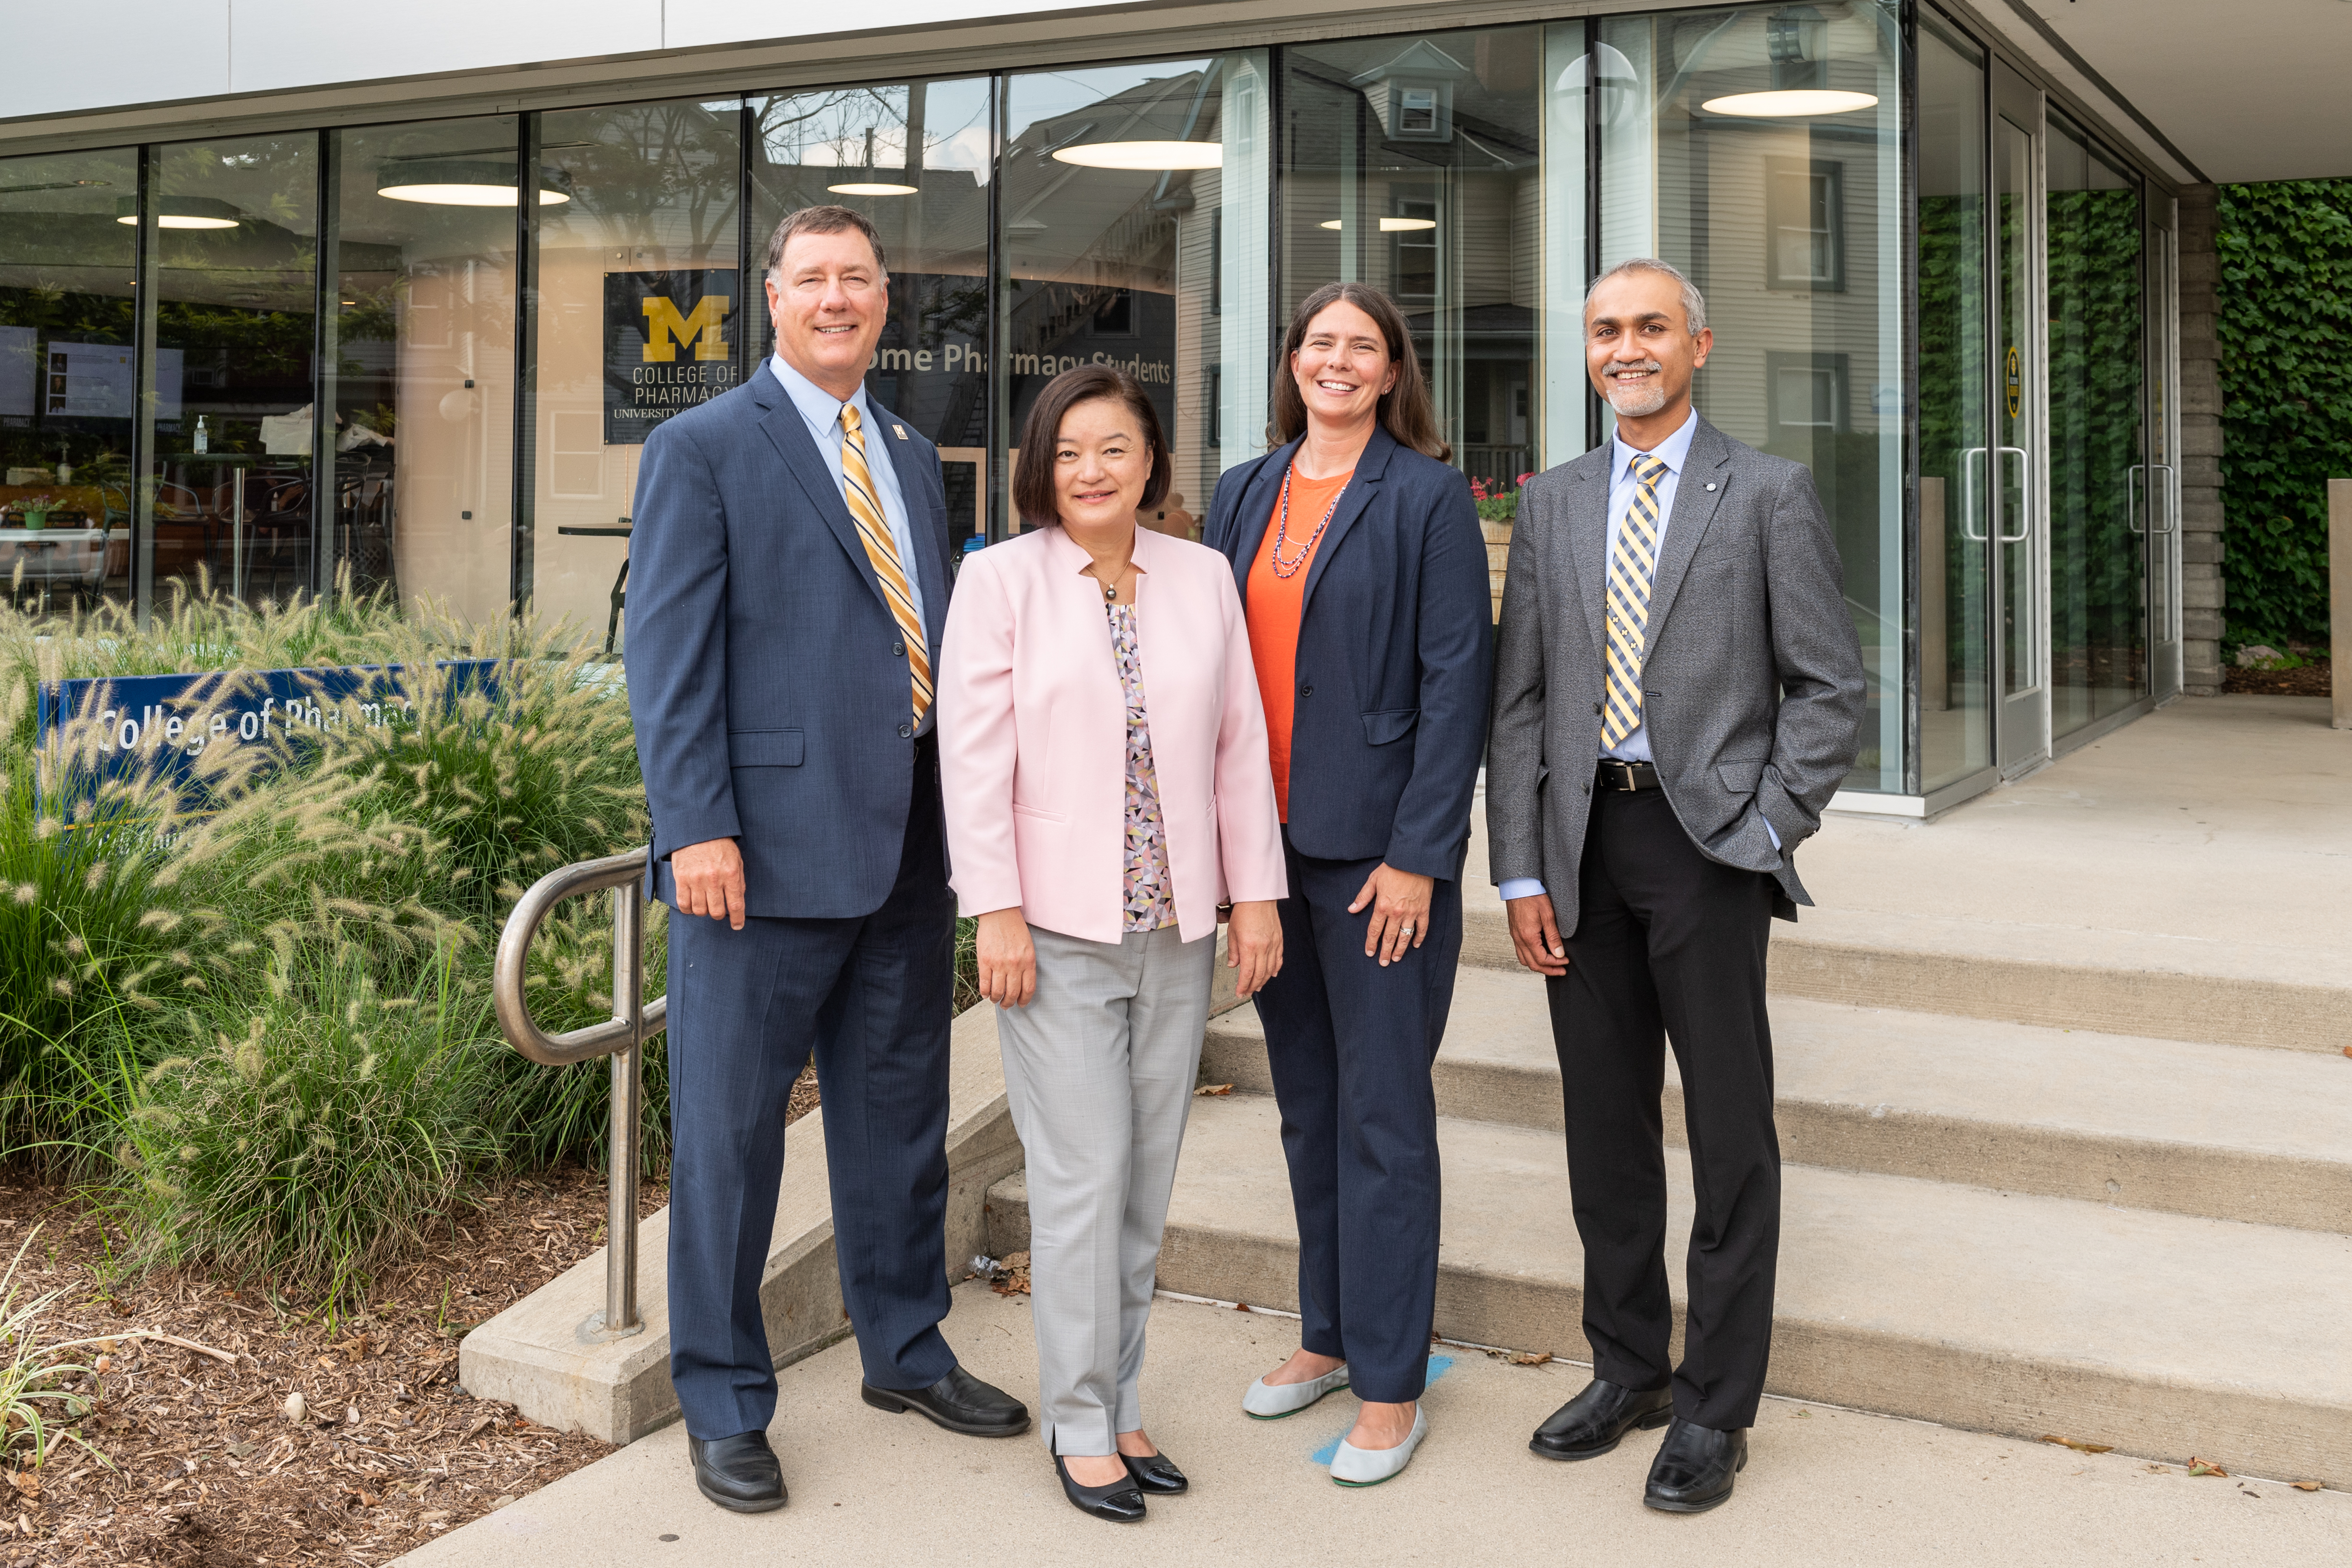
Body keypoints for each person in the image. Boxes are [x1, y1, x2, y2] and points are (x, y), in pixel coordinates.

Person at [626, 205, 1030, 1517]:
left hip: (910, 849)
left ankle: (904, 1349)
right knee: (733, 1144)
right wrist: (695, 826)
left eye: (859, 277)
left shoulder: (913, 452)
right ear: (773, 298)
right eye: (814, 279)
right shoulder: (700, 449)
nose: (838, 297)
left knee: (898, 1123)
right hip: (758, 861)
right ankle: (725, 1399)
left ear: (885, 299)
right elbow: (668, 659)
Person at [1485, 257, 1865, 1513]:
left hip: (1706, 851)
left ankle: (1714, 1407)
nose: (1626, 347)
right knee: (1604, 1128)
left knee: (1728, 1133)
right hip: (1581, 845)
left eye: (1650, 327)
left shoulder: (1765, 493)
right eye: (1606, 330)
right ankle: (1628, 1368)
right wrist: (1523, 863)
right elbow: (1523, 698)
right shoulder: (1553, 502)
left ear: (1697, 344)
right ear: (1586, 351)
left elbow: (1827, 686)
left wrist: (1764, 829)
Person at [938, 364, 1288, 1523]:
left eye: (1116, 450)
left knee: (1143, 1180)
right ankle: (1078, 1420)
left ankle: (1120, 1400)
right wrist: (991, 908)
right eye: (1071, 451)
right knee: (1082, 1179)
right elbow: (973, 759)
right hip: (1051, 932)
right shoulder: (998, 580)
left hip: (1177, 929)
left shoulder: (1198, 576)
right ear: (1044, 466)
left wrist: (1254, 897)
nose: (1092, 471)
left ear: (1151, 464)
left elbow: (1238, 746)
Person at [1202, 282, 1493, 1487]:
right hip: (1265, 855)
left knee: (1381, 1117)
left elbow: (1455, 687)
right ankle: (1326, 1335)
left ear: (1389, 372)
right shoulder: (1243, 490)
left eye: (1358, 347)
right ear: (1293, 362)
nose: (1335, 361)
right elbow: (1212, 673)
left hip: (1378, 863)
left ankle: (1388, 1383)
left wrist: (1420, 857)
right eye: (1318, 343)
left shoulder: (1424, 495)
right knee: (1309, 1105)